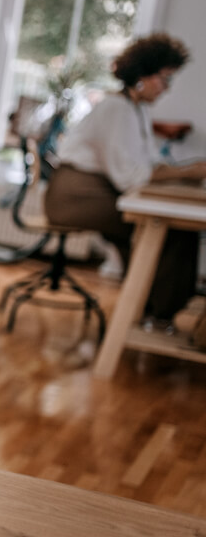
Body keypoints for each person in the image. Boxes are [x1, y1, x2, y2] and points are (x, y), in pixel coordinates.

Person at [46, 33, 206, 322]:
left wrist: (183, 173)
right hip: (75, 196)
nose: (167, 89)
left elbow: (151, 165)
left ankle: (150, 306)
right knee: (164, 227)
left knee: (170, 228)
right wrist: (188, 172)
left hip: (97, 192)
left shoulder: (138, 110)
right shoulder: (116, 109)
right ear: (144, 74)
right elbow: (132, 178)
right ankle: (157, 313)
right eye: (165, 79)